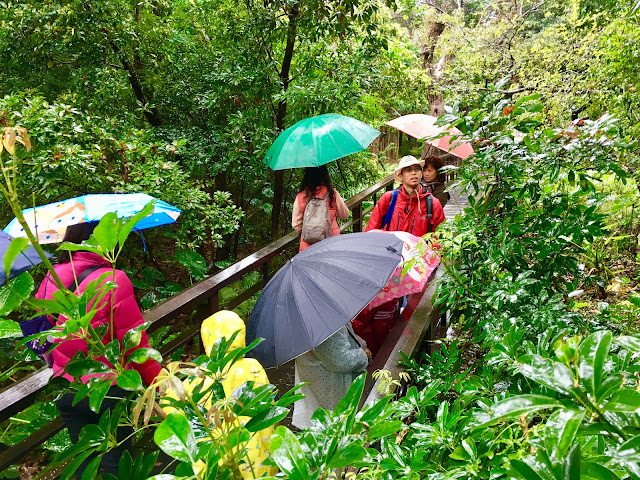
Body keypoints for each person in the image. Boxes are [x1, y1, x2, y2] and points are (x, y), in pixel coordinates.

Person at [35, 221, 161, 477]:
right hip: (108, 390)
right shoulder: (114, 279)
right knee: (117, 462)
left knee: (83, 464)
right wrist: (159, 382)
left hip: (68, 387)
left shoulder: (52, 275)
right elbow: (134, 342)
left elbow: (45, 327)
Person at [354, 156, 446, 356]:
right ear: (400, 176)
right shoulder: (389, 199)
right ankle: (383, 354)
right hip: (389, 267)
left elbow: (440, 238)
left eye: (416, 169)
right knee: (386, 311)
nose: (414, 173)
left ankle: (408, 356)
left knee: (414, 314)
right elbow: (371, 230)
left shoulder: (433, 204)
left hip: (418, 269)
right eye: (408, 170)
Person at [292, 324, 371, 430]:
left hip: (315, 375)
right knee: (331, 421)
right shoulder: (322, 325)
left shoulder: (309, 318)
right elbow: (341, 360)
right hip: (329, 383)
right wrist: (363, 355)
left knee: (317, 414)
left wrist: (361, 345)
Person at [292, 165, 349, 252]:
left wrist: (311, 230)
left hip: (308, 247)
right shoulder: (332, 194)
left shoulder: (301, 196)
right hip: (331, 243)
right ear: (325, 175)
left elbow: (296, 225)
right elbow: (344, 215)